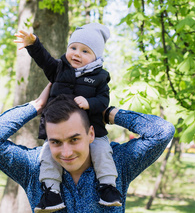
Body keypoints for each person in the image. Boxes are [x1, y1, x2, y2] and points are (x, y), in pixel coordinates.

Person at [0, 84, 175, 213]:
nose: (66, 152)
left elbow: (162, 132)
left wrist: (106, 112)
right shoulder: (33, 167)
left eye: (74, 139)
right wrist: (36, 106)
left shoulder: (117, 162)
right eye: (56, 142)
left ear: (91, 134)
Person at [14, 23, 121, 212]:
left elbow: (103, 100)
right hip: (55, 129)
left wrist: (90, 103)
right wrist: (33, 44)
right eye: (73, 48)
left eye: (85, 51)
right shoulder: (59, 68)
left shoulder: (100, 77)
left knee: (103, 151)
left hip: (93, 129)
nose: (77, 54)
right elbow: (44, 60)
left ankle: (108, 187)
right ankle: (51, 192)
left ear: (96, 56)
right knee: (47, 156)